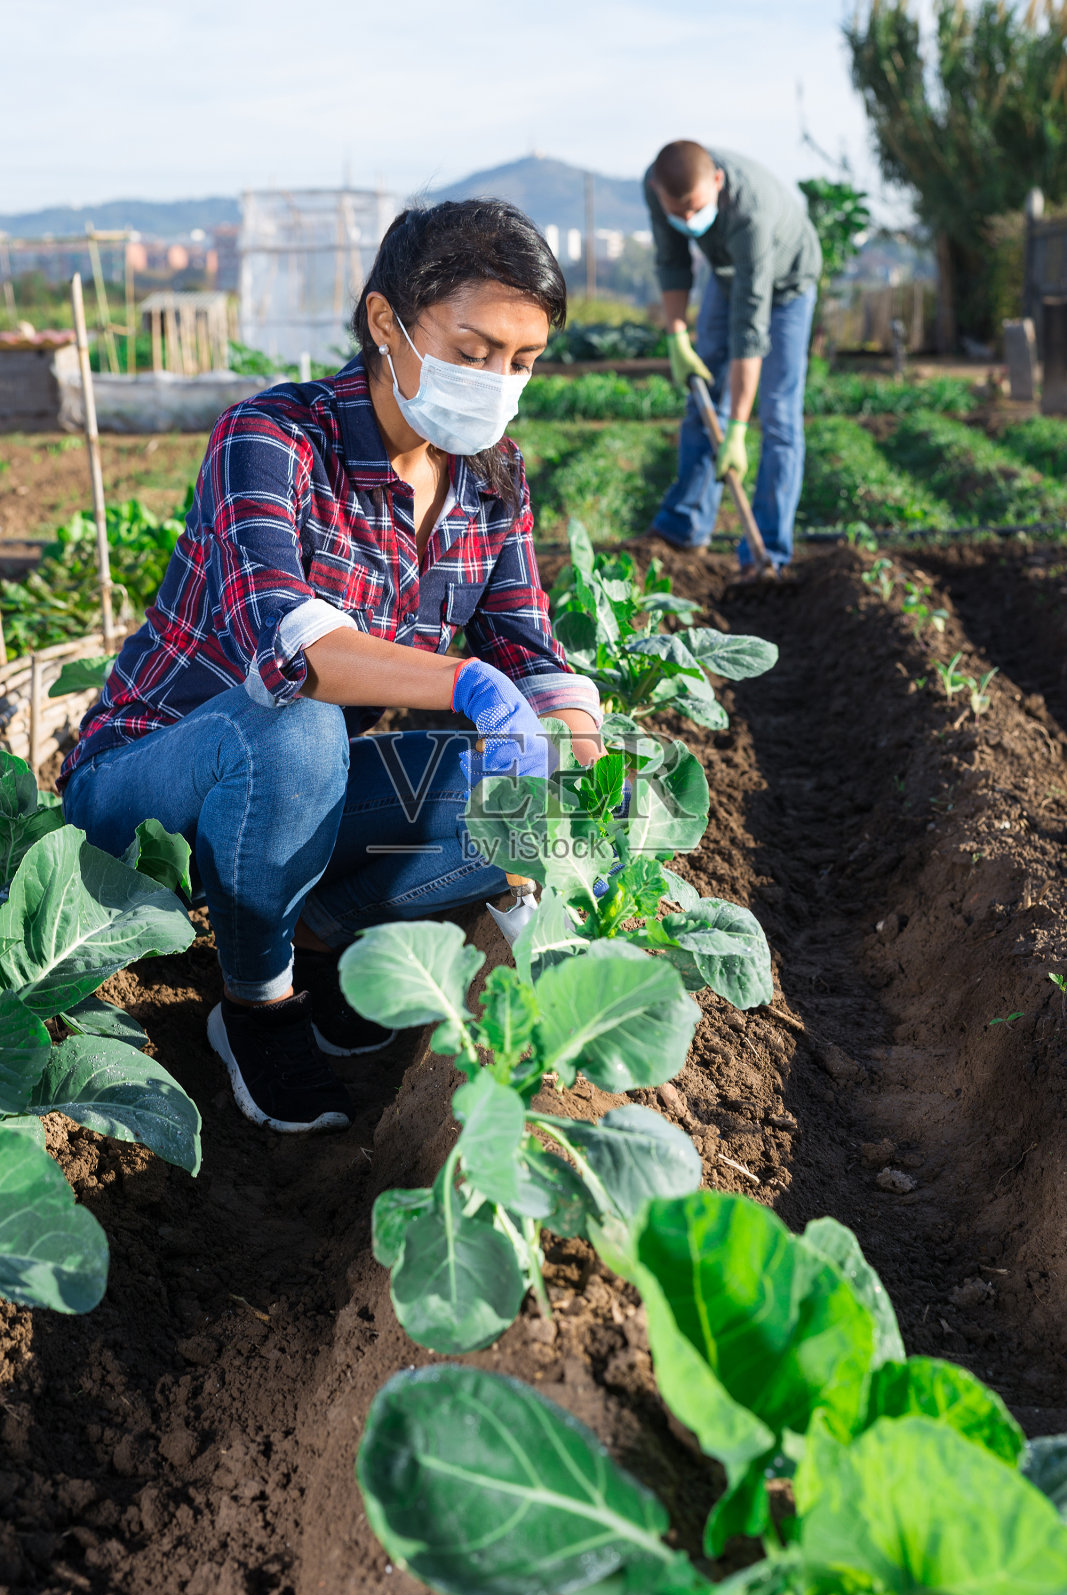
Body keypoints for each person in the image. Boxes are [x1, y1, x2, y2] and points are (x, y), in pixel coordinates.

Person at [60, 200, 602, 1136]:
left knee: (530, 788)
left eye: (522, 362)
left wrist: (571, 757)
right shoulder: (272, 439)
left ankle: (318, 942)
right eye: (472, 352)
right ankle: (256, 1008)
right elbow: (294, 652)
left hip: (297, 801)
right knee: (297, 719)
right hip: (146, 791)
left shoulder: (491, 478)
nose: (497, 384)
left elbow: (530, 650)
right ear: (387, 321)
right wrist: (468, 683)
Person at [643, 139, 821, 572]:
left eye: (695, 209)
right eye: (678, 212)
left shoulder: (751, 212)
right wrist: (677, 337)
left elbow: (750, 331)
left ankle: (768, 553)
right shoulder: (658, 186)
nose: (688, 220)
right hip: (727, 277)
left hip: (788, 285)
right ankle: (684, 529)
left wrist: (738, 430)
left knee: (779, 414)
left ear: (718, 182)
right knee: (704, 393)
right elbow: (672, 263)